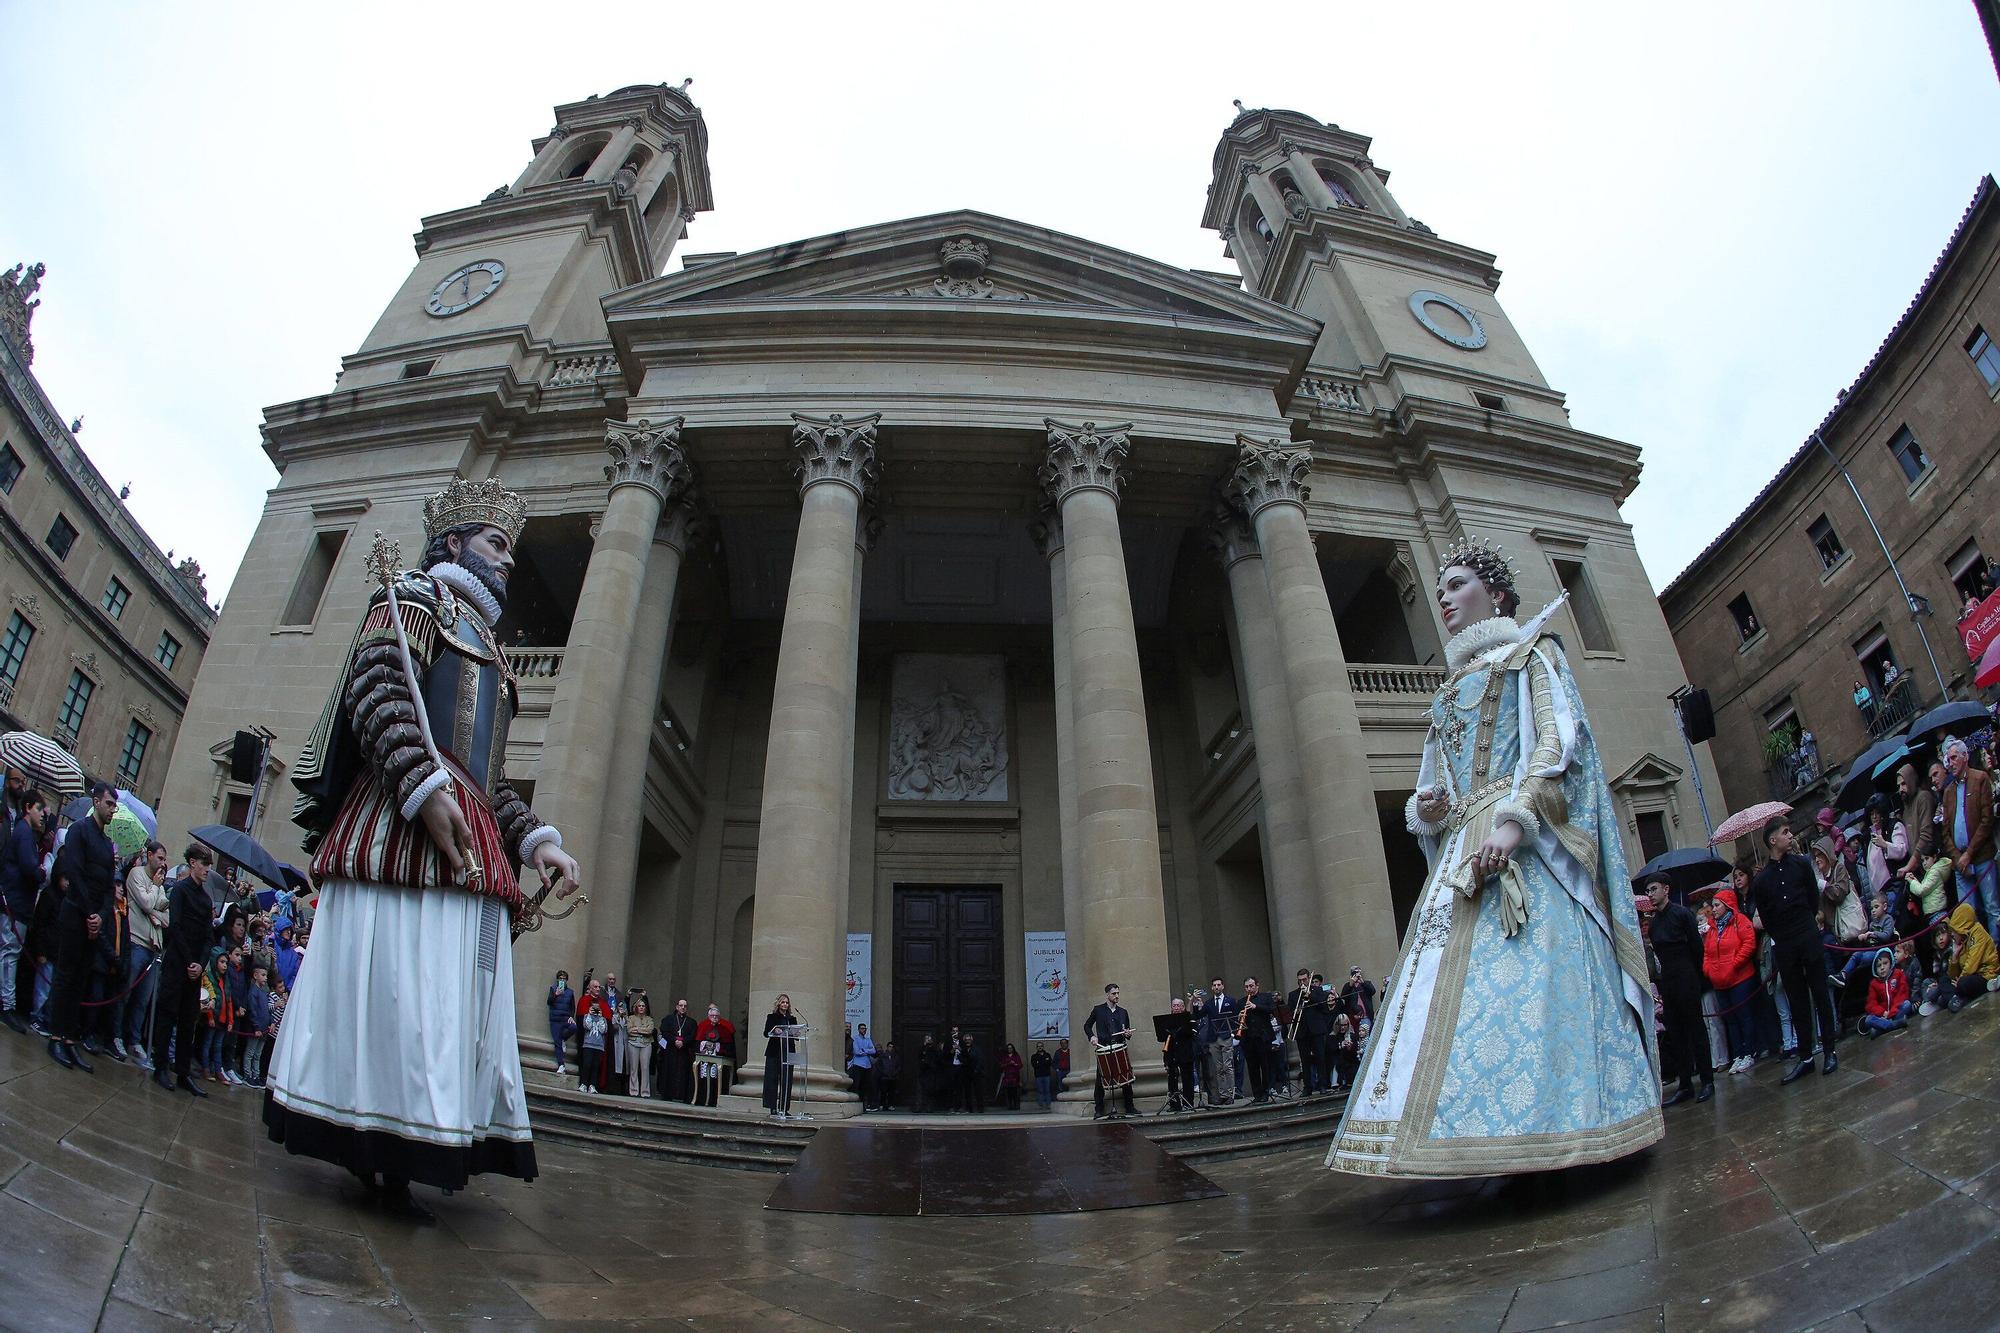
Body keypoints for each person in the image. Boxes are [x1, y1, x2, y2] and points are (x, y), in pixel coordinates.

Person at [265, 482, 580, 1217]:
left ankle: (421, 1135)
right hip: (399, 826)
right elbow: (377, 690)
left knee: (445, 997)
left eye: (509, 548)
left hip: (466, 832)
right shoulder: (413, 600)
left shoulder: (493, 651)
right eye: (495, 543)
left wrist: (537, 841)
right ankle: (373, 1136)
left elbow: (489, 776)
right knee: (397, 989)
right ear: (453, 543)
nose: (507, 559)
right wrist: (417, 783)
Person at [1330, 541, 1662, 1178]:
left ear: (1497, 593)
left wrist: (1515, 827)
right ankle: (1470, 1138)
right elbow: (1441, 784)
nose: (1445, 599)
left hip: (1523, 843)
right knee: (1447, 1001)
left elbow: (1555, 750)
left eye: (1457, 585)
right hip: (1463, 847)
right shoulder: (1451, 688)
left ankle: (1557, 1135)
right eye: (1441, 590)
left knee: (1530, 983)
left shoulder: (1531, 657)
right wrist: (1430, 808)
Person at [1751, 818, 1842, 1084]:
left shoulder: (1801, 865)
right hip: (1785, 942)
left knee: (1820, 992)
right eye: (1785, 832)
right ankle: (1805, 1057)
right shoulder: (1762, 880)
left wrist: (1807, 925)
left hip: (1807, 935)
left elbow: (1813, 898)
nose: (1790, 836)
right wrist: (1783, 935)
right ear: (1772, 840)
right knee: (1797, 1000)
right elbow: (1766, 916)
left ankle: (1829, 1049)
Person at [47, 784, 119, 1074]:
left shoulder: (105, 843)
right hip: (75, 913)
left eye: (114, 805)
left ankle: (68, 1038)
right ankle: (55, 1036)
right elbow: (75, 872)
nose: (113, 809)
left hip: (93, 919)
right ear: (96, 802)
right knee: (65, 977)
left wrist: (100, 916)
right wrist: (90, 913)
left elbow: (107, 887)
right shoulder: (79, 831)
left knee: (80, 981)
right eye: (109, 804)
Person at [151, 845, 216, 1099]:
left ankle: (183, 1071)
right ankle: (160, 1067)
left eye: (209, 865)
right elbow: (175, 927)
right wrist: (190, 960)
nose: (207, 870)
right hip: (178, 963)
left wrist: (200, 964)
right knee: (167, 1014)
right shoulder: (179, 891)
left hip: (195, 969)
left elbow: (209, 936)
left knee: (189, 1021)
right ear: (192, 864)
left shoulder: (206, 899)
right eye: (204, 864)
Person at [1644, 879, 1712, 1106]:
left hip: (1687, 977)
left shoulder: (1682, 915)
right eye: (1648, 891)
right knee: (1676, 1034)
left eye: (1654, 889)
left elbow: (1696, 948)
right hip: (1669, 983)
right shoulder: (1654, 925)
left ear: (1666, 889)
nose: (1650, 894)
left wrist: (1696, 979)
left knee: (1696, 1030)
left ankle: (1707, 1080)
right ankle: (1685, 1084)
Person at [1940, 739, 1998, 934]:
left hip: (1982, 857)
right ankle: (1979, 957)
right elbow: (1945, 832)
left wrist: (1969, 853)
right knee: (1968, 915)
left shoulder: (1980, 778)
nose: (1950, 763)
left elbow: (1986, 820)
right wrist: (1958, 858)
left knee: (1992, 908)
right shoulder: (1947, 792)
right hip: (1960, 865)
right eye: (1948, 759)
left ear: (1965, 757)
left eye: (1954, 757)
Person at [0, 788, 45, 1035]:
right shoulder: (24, 833)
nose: (42, 815)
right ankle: (6, 1004)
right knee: (9, 953)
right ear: (28, 807)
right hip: (15, 905)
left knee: (8, 951)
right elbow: (30, 868)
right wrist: (42, 872)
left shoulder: (24, 833)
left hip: (16, 904)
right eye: (39, 809)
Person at [119, 840, 168, 1067]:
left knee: (143, 999)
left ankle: (134, 1040)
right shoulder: (137, 875)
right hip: (136, 941)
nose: (162, 863)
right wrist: (155, 890)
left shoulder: (159, 882)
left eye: (164, 859)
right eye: (159, 858)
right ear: (149, 856)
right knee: (126, 992)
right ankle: (116, 1035)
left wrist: (156, 909)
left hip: (153, 947)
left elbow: (166, 915)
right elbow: (148, 904)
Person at [1702, 883, 1759, 1074]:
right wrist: (1708, 970)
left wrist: (1734, 964)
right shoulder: (1711, 929)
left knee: (1745, 1017)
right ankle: (1738, 1054)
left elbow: (1749, 943)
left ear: (1727, 905)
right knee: (1731, 1021)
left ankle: (1750, 1052)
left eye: (1717, 905)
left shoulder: (1739, 921)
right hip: (1720, 982)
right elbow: (1707, 953)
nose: (1714, 909)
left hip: (1739, 978)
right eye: (1713, 905)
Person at [1919, 904, 1999, 1015]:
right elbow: (1952, 975)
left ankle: (1949, 999)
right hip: (1969, 976)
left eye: (1953, 930)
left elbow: (1971, 965)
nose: (1951, 933)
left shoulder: (1978, 933)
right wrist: (1955, 956)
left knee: (1962, 984)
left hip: (1985, 975)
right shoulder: (1962, 940)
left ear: (1961, 926)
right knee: (1944, 979)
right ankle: (1955, 999)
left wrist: (1959, 981)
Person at [1084, 982, 1137, 1120]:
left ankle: (1129, 1106)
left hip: (1119, 1046)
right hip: (1104, 1048)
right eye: (1114, 993)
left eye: (1118, 993)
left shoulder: (1123, 1012)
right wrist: (1092, 1037)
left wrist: (1127, 1034)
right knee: (1100, 1080)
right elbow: (1087, 1025)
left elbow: (1127, 1031)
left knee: (1126, 1076)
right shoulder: (1098, 1010)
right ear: (1107, 995)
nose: (1116, 996)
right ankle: (1099, 1109)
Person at [1287, 969, 1333, 1096]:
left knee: (1320, 1058)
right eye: (1300, 980)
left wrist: (1309, 996)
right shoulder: (1293, 995)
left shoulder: (1318, 990)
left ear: (1309, 979)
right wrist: (1295, 1011)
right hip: (1302, 1031)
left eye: (1304, 980)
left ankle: (1323, 1084)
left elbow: (1324, 1007)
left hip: (1316, 1029)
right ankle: (1308, 1087)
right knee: (1305, 1060)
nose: (1302, 982)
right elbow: (1290, 1012)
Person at [1236, 977, 1280, 1103]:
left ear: (1257, 985)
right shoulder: (1241, 1002)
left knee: (1265, 1066)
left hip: (1263, 1037)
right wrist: (1240, 1017)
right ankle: (1257, 1094)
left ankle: (1266, 1092)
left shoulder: (1266, 997)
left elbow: (1271, 1009)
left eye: (1251, 986)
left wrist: (1255, 1006)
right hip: (1248, 1039)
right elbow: (1237, 1021)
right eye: (1246, 987)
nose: (1249, 989)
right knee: (1252, 1067)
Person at [762, 994, 802, 1118]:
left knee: (787, 1080)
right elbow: (766, 1033)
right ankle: (773, 1108)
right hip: (774, 1052)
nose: (785, 1004)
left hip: (788, 1051)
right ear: (778, 1004)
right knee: (772, 1079)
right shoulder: (772, 1017)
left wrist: (796, 1033)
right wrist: (775, 1030)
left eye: (787, 1002)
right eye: (783, 1002)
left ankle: (784, 1108)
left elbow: (795, 1035)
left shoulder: (792, 1019)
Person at [1199, 978, 1237, 1107]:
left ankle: (1231, 1094)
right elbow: (1198, 1015)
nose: (1216, 987)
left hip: (1226, 1036)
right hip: (1213, 1038)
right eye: (1214, 985)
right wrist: (1193, 1001)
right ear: (1212, 988)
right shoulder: (1209, 1003)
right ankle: (1223, 1094)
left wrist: (1233, 1033)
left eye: (1219, 985)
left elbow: (1236, 1017)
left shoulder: (1230, 1001)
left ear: (1223, 986)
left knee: (1228, 1066)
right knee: (1219, 1068)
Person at [1859, 947, 1913, 1036]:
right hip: (1883, 1016)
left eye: (1885, 963)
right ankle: (1893, 1025)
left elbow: (1902, 995)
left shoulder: (1898, 974)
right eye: (1879, 965)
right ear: (1874, 968)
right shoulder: (1874, 983)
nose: (1882, 967)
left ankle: (1882, 1028)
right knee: (1868, 1019)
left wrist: (1891, 1012)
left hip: (1896, 1012)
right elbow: (1871, 1004)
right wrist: (1882, 1012)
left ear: (1891, 962)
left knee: (1907, 1004)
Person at [1863, 795, 1909, 899]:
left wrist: (1885, 845)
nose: (1874, 817)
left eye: (1877, 813)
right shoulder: (1868, 837)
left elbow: (1902, 849)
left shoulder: (1894, 826)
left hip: (1897, 886)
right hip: (1879, 893)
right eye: (1871, 814)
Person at [1897, 763, 1937, 877]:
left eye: (1904, 784)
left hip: (1932, 864)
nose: (1901, 789)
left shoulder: (1923, 797)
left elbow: (1926, 835)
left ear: (1911, 781)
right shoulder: (1906, 809)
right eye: (1899, 785)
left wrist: (1909, 865)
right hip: (1919, 868)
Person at [693, 1003, 733, 1107]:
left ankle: (714, 1101)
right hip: (705, 1056)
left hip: (717, 1057)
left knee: (715, 1077)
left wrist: (716, 1046)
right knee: (703, 1076)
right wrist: (705, 1044)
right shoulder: (703, 1026)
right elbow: (698, 1042)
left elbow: (728, 1045)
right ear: (708, 1016)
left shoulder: (724, 1028)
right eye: (712, 1016)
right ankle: (702, 1099)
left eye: (716, 1016)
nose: (714, 1018)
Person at [659, 998, 697, 1103]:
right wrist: (674, 1041)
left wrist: (683, 1042)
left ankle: (682, 1095)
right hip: (670, 1050)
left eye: (685, 1006)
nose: (683, 1007)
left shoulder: (691, 1022)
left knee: (682, 1073)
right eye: (681, 1005)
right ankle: (667, 1094)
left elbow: (692, 1036)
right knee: (669, 1072)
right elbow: (665, 1032)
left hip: (684, 1052)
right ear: (677, 1007)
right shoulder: (668, 1019)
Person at [576, 981, 610, 1093]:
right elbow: (584, 1024)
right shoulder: (584, 1001)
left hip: (599, 1043)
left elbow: (605, 1028)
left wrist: (600, 1017)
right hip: (587, 1041)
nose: (597, 989)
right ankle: (583, 1083)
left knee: (596, 1065)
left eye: (599, 987)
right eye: (595, 987)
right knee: (586, 1063)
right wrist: (590, 1014)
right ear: (589, 988)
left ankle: (592, 1085)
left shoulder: (603, 1004)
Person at [1162, 996, 1196, 1108]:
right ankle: (1174, 1104)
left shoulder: (1188, 1018)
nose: (1176, 1008)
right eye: (1174, 1006)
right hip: (1172, 1052)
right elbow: (1162, 1037)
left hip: (1185, 1052)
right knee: (1172, 1078)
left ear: (1182, 1007)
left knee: (1187, 1078)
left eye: (1178, 1005)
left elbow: (1193, 1033)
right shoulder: (1167, 1021)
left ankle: (1188, 1103)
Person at [625, 996, 655, 1098]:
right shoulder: (631, 1018)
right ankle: (633, 1090)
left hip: (646, 1044)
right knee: (633, 1068)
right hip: (633, 1043)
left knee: (645, 1068)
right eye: (639, 1006)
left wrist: (636, 1029)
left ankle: (645, 1092)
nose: (641, 1007)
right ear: (636, 1007)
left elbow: (650, 1031)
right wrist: (642, 1030)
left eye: (643, 1006)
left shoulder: (649, 1019)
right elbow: (629, 1031)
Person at [545, 971, 574, 1076]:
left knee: (573, 1028)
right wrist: (556, 995)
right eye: (560, 978)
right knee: (557, 1043)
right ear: (557, 979)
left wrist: (571, 1016)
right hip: (555, 1019)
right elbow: (549, 1002)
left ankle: (563, 1038)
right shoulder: (553, 989)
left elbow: (572, 1006)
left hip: (565, 1018)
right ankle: (561, 1064)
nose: (562, 980)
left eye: (564, 978)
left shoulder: (570, 992)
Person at [848, 1022, 877, 1110]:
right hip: (858, 1065)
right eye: (862, 1028)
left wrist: (863, 1050)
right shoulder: (855, 1039)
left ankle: (865, 1105)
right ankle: (857, 1103)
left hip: (867, 1066)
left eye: (865, 1028)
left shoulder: (868, 1039)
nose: (863, 1030)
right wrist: (867, 1051)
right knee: (857, 1084)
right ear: (858, 1029)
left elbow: (874, 1051)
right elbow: (856, 1052)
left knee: (866, 1085)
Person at [997, 1042, 1023, 1111]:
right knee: (1008, 1093)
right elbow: (1001, 1065)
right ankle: (1009, 1106)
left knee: (1015, 1092)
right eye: (1008, 1048)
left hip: (1015, 1077)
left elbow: (1020, 1065)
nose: (1009, 1049)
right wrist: (1008, 1063)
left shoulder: (1016, 1055)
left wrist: (1014, 1064)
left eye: (1011, 1048)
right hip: (1007, 1077)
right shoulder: (1004, 1056)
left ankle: (1016, 1106)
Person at [1031, 1042, 1054, 1110]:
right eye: (1038, 1046)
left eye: (1041, 1046)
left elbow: (1049, 1063)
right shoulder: (1034, 1056)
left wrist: (1040, 1062)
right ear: (1036, 1048)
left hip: (1046, 1075)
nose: (1040, 1047)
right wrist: (1043, 1062)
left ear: (1043, 1047)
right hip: (1038, 1076)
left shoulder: (1047, 1055)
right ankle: (1040, 1105)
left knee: (1047, 1090)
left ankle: (1048, 1104)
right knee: (1040, 1090)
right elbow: (1034, 1065)